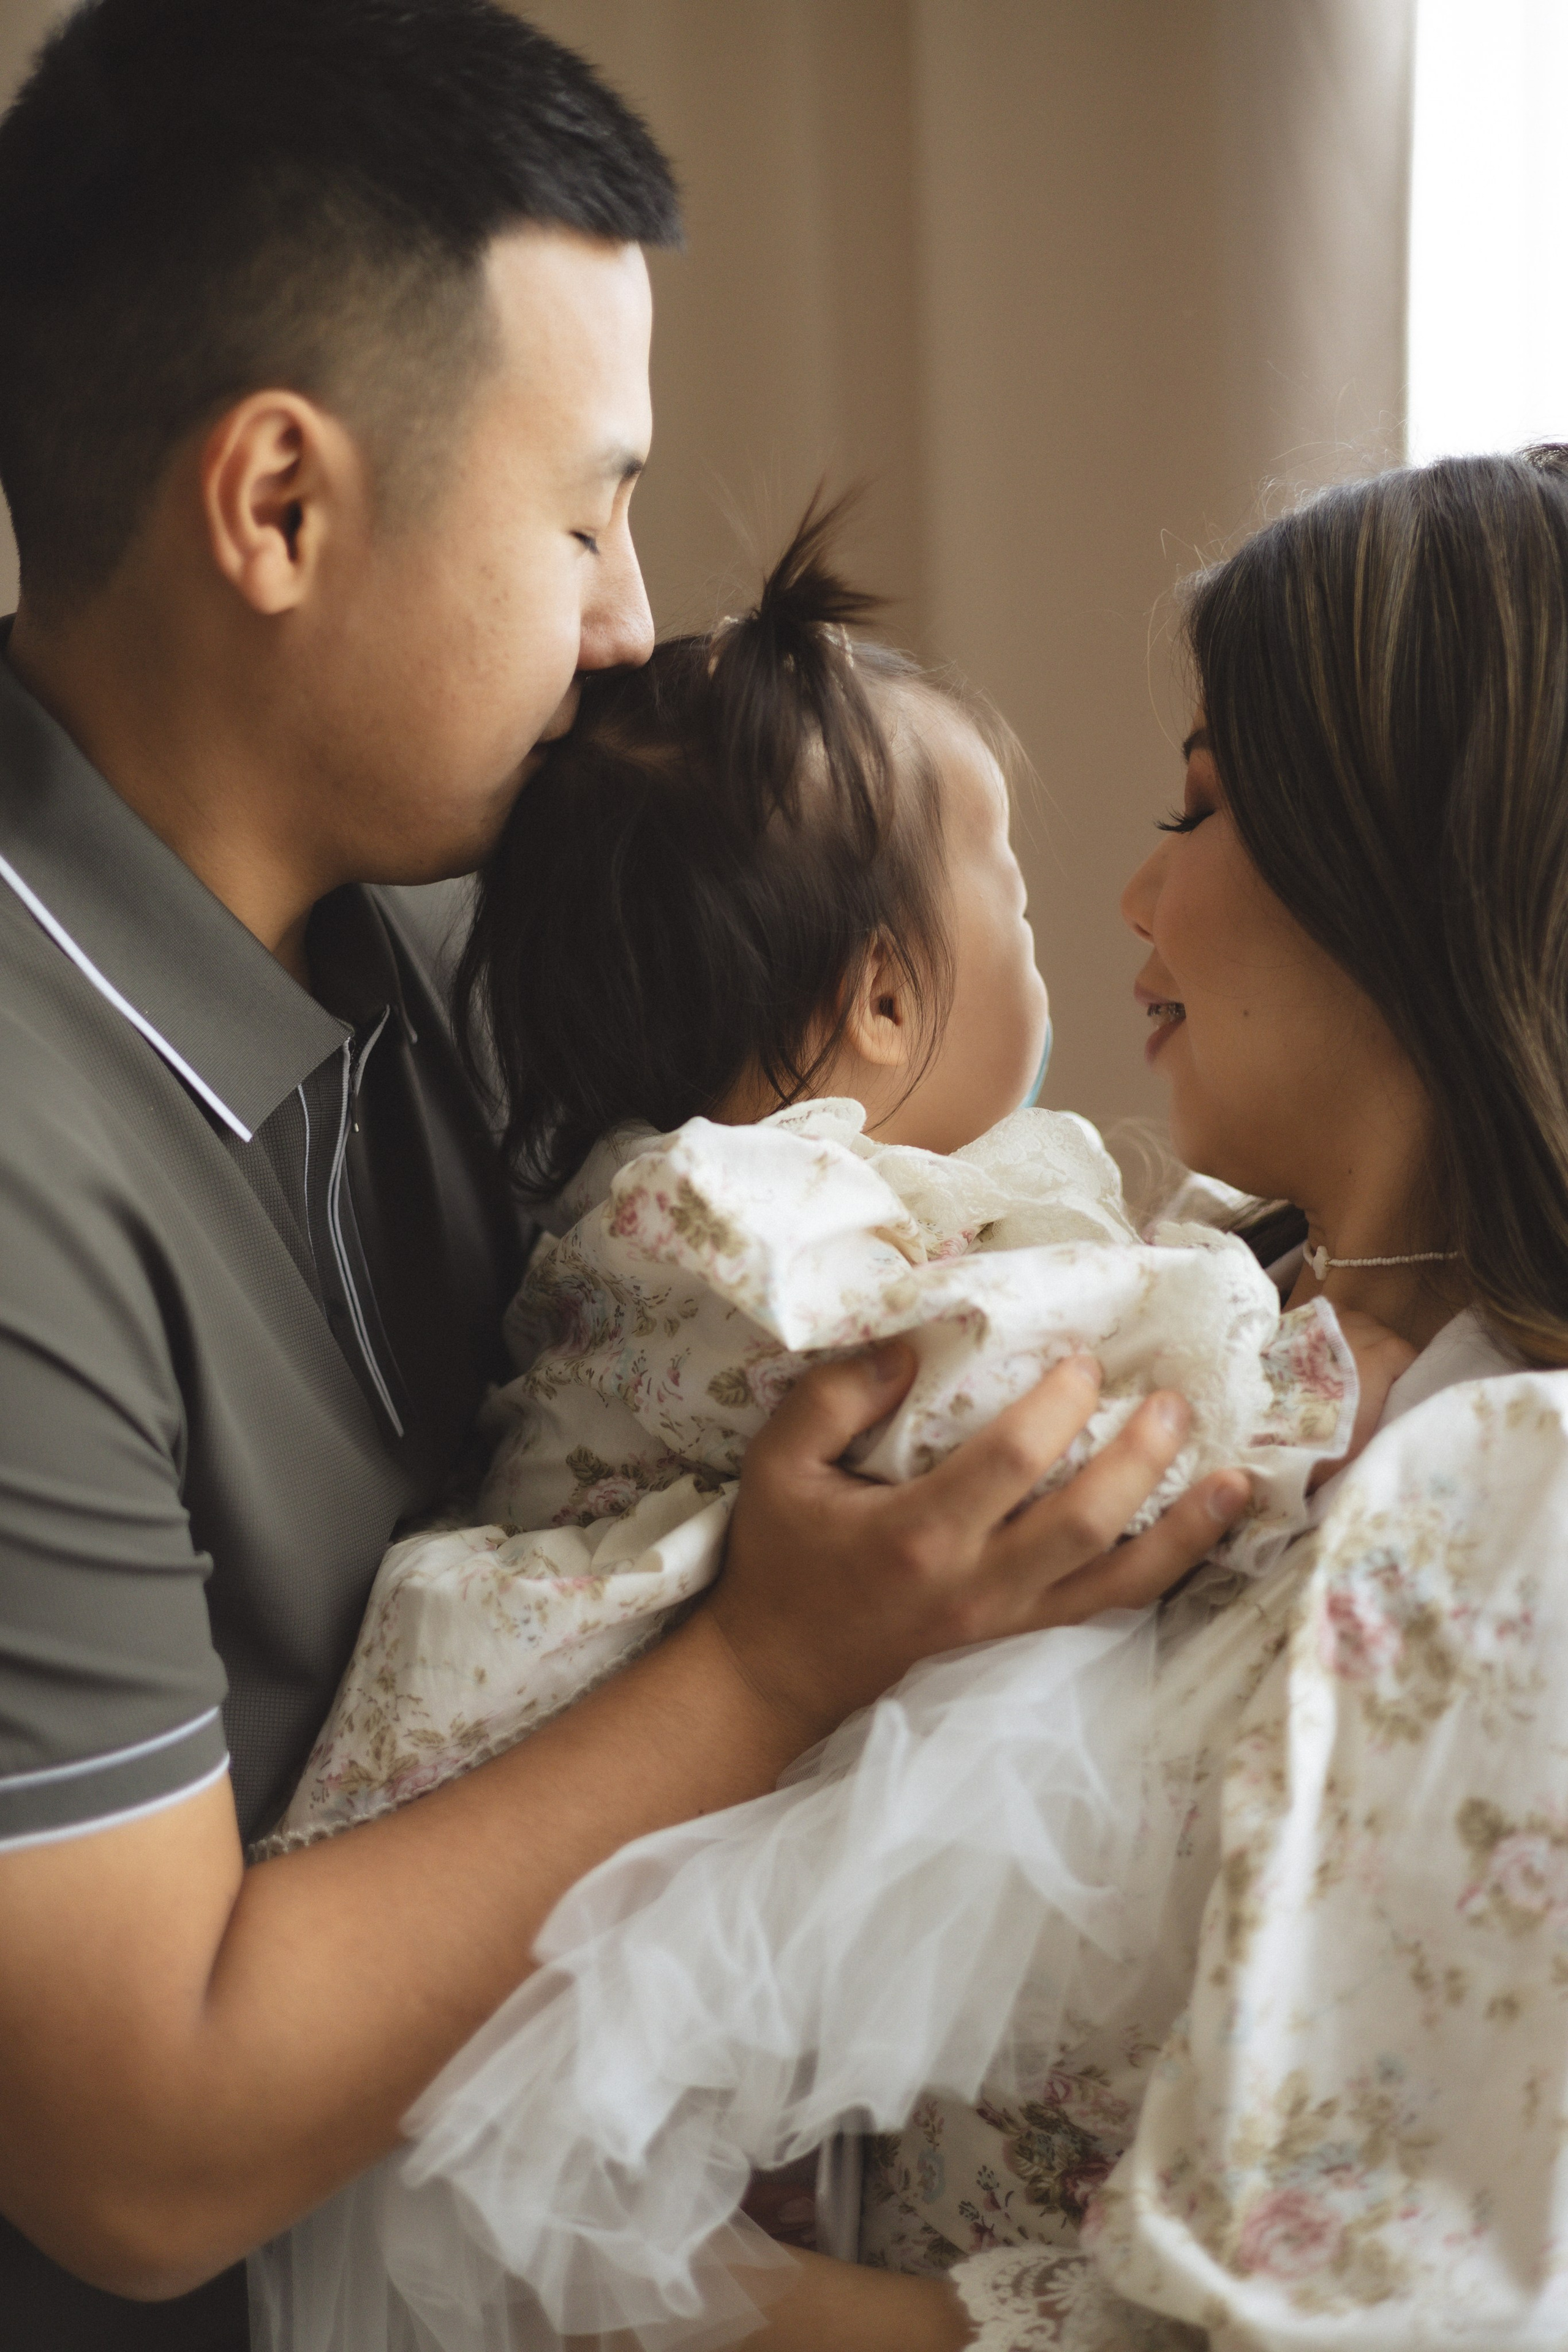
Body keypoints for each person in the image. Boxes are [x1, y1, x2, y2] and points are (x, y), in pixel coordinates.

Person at [0, 7, 1241, 2348]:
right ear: (277, 508)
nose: (624, 618)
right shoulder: (28, 1153)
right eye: (584, 512)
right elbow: (141, 2154)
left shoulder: (459, 887)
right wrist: (771, 1661)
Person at [242, 511, 1405, 2352]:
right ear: (876, 996)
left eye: (1193, 816)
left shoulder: (720, 1201)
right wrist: (1241, 1371)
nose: (1103, 904)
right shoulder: (769, 1229)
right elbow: (991, 1401)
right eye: (1013, 890)